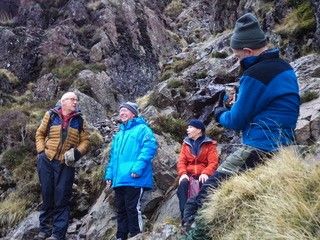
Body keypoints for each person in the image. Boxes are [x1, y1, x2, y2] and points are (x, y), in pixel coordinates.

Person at [183, 12, 300, 230]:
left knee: (206, 194)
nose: (238, 60)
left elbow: (236, 121)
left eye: (238, 56)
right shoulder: (285, 67)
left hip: (260, 146)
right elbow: (270, 105)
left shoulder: (255, 74)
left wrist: (219, 112)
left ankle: (193, 229)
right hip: (284, 146)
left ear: (248, 51)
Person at [34, 92, 90, 240]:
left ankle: (58, 234)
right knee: (47, 194)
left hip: (66, 164)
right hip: (46, 160)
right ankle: (44, 230)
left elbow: (86, 141)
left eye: (76, 100)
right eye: (72, 99)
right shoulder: (51, 115)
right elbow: (39, 133)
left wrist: (76, 153)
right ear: (63, 101)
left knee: (62, 197)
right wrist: (41, 152)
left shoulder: (80, 119)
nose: (75, 102)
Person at [104, 101, 157, 240]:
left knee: (132, 208)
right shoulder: (119, 134)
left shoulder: (142, 129)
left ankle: (136, 236)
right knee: (121, 210)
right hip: (119, 179)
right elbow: (113, 158)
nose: (122, 113)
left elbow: (150, 148)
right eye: (120, 111)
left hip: (134, 177)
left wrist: (137, 168)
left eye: (125, 111)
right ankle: (120, 236)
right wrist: (109, 175)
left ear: (133, 113)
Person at [176, 119, 219, 219]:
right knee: (182, 186)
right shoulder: (185, 144)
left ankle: (202, 215)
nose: (187, 129)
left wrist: (206, 173)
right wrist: (183, 174)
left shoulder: (210, 144)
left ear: (199, 130)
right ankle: (184, 218)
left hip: (203, 174)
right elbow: (181, 162)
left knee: (205, 183)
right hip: (189, 175)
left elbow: (213, 162)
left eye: (190, 127)